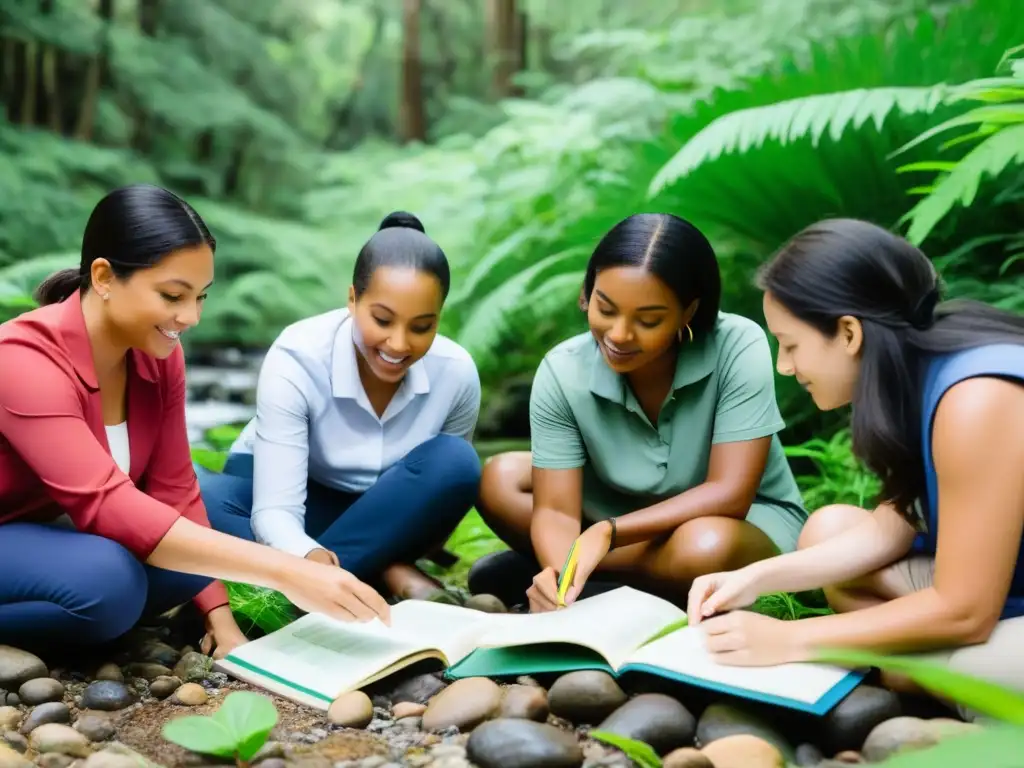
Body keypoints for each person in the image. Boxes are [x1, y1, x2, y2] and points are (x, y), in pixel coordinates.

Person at [0, 184, 390, 656]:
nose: (191, 316)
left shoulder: (158, 353)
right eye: (173, 295)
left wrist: (220, 622)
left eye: (201, 296)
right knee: (109, 582)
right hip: (22, 534)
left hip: (55, 536)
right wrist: (290, 571)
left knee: (185, 562)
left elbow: (175, 491)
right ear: (103, 276)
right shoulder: (22, 360)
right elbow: (107, 506)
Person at [686, 218, 1024, 703]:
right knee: (830, 534)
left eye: (791, 344)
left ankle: (935, 678)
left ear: (848, 333)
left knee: (962, 661)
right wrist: (754, 578)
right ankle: (923, 667)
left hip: (979, 604)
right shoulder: (917, 366)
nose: (784, 365)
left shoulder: (976, 400)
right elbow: (894, 524)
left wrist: (789, 639)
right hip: (996, 588)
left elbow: (966, 610)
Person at [473, 212, 808, 612]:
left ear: (688, 312)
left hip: (734, 521)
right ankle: (593, 582)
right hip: (617, 516)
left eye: (648, 320)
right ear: (587, 291)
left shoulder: (738, 344)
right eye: (606, 308)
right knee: (499, 478)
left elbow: (729, 493)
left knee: (705, 547)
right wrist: (560, 578)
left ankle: (603, 580)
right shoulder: (563, 369)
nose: (618, 335)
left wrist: (609, 533)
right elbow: (557, 510)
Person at [198, 212, 482, 603]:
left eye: (421, 327)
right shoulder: (297, 355)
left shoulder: (457, 373)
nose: (398, 344)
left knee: (458, 462)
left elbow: (436, 501)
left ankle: (288, 594)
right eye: (382, 320)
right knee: (205, 502)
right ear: (352, 299)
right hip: (282, 492)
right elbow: (275, 510)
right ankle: (382, 569)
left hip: (385, 507)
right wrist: (310, 558)